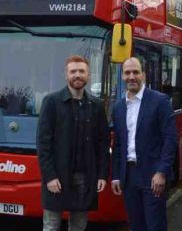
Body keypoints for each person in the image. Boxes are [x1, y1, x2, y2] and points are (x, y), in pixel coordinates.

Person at [36, 55, 110, 231]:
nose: (77, 75)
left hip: (85, 178)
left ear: (88, 75)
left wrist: (102, 175)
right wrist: (50, 176)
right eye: (73, 71)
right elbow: (43, 144)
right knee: (51, 226)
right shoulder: (51, 102)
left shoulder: (97, 105)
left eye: (81, 71)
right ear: (66, 75)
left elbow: (102, 143)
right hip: (57, 178)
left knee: (78, 226)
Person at [111, 57, 177, 231]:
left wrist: (162, 172)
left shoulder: (160, 101)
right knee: (136, 225)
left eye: (135, 72)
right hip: (129, 177)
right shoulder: (118, 108)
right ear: (122, 76)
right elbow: (118, 145)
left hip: (152, 175)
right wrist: (117, 175)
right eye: (127, 73)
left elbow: (170, 140)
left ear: (144, 75)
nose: (131, 76)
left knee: (155, 226)